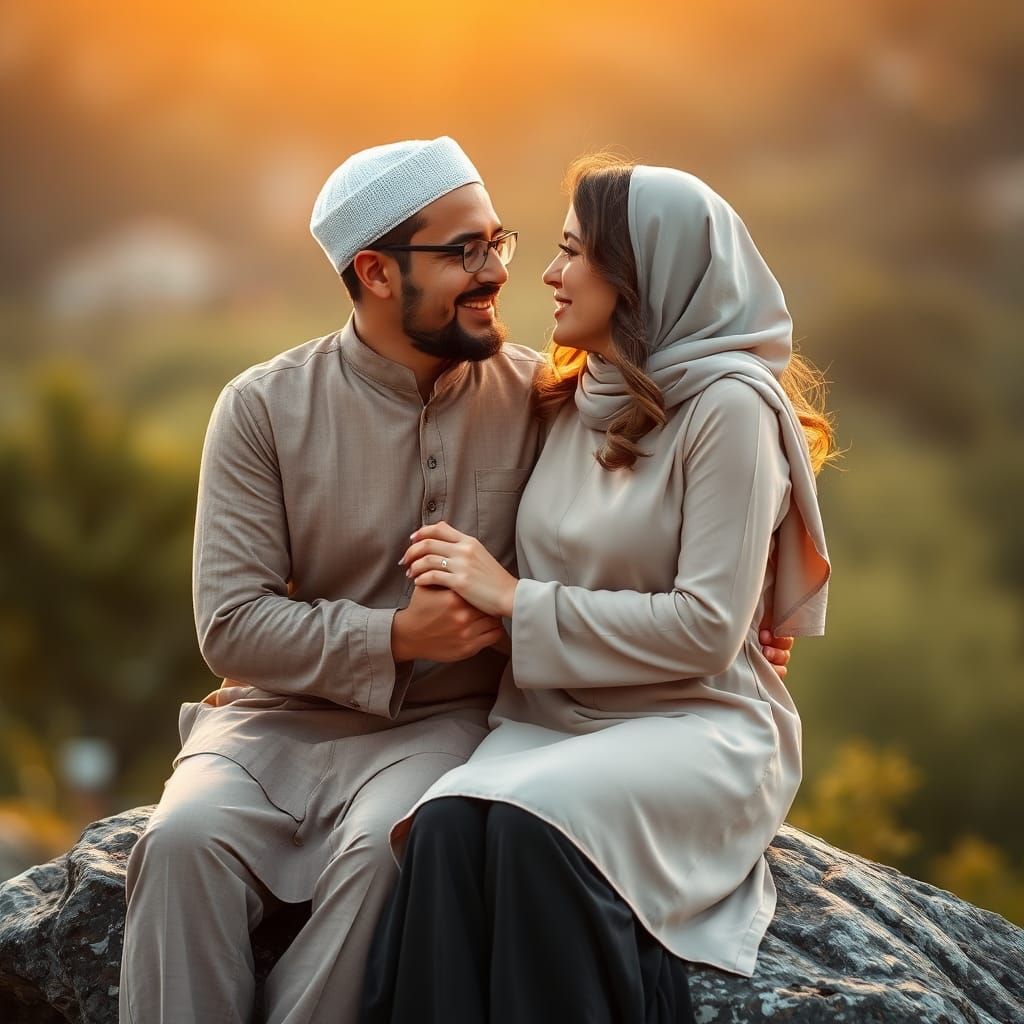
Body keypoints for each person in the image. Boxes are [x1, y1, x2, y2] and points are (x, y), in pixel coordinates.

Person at [117, 138, 795, 1024]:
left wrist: (747, 629)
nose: (497, 273)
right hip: (262, 730)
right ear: (376, 272)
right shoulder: (260, 408)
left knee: (383, 854)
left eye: (498, 244)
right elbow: (232, 627)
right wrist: (398, 638)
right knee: (178, 841)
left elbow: (656, 506)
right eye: (463, 253)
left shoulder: (542, 394)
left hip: (441, 728)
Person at [360, 156, 833, 1024]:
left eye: (575, 252)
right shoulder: (568, 391)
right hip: (553, 720)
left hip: (695, 725)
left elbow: (704, 632)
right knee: (446, 827)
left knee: (533, 825)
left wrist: (512, 601)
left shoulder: (729, 409)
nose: (546, 272)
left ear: (639, 268)